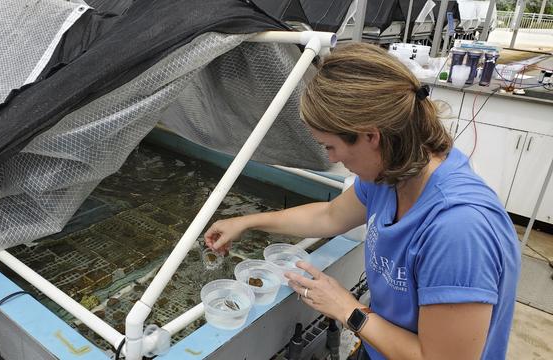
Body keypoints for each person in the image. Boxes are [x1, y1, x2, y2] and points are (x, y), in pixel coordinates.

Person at [204, 43, 520, 360]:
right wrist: (246, 222)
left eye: (330, 147)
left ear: (371, 136)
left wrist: (348, 310)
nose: (333, 159)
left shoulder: (458, 230)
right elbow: (329, 216)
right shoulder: (390, 176)